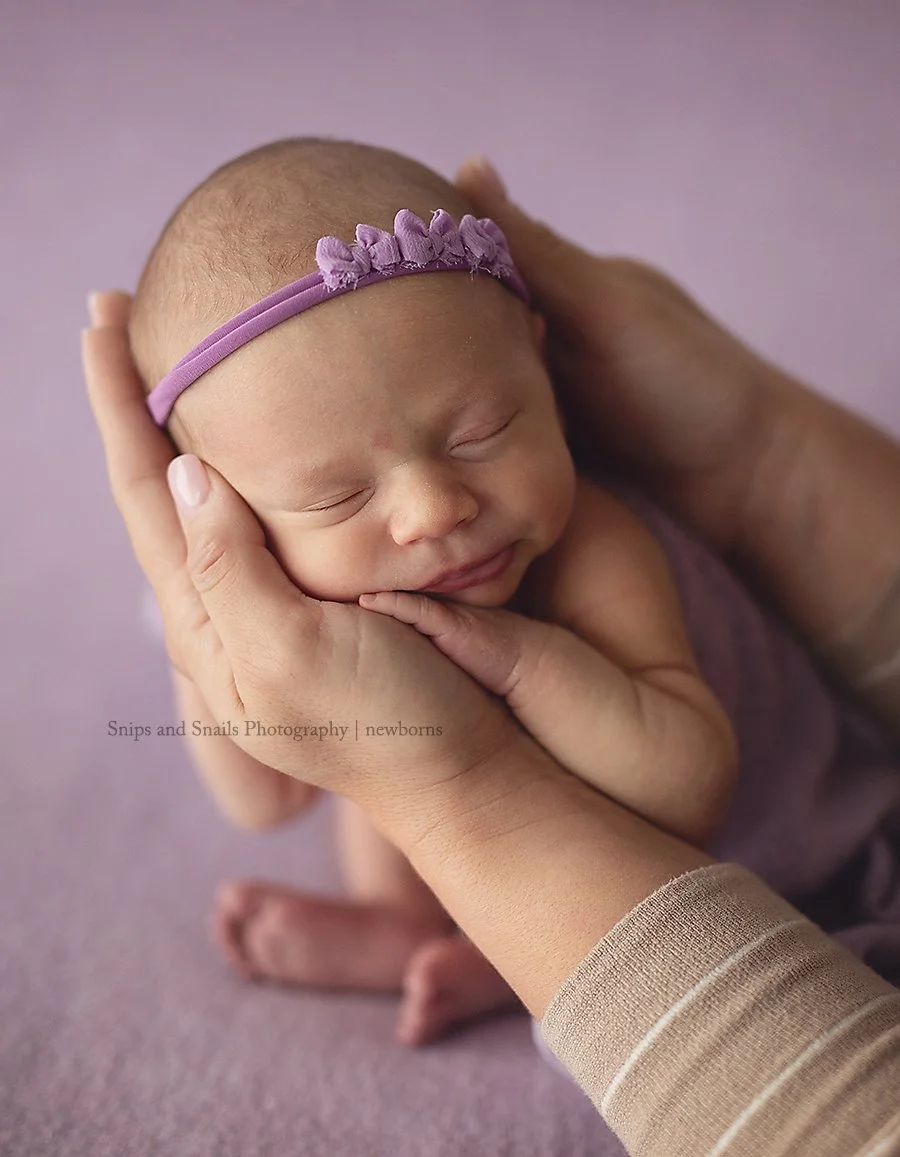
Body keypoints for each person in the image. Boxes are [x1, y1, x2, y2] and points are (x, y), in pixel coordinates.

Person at [82, 152, 900, 1156]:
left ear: (542, 365)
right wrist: (202, 632)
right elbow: (268, 798)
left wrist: (518, 664)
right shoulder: (320, 596)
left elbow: (688, 781)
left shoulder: (592, 546)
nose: (436, 511)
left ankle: (497, 952)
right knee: (376, 717)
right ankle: (425, 929)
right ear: (232, 510)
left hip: (789, 886)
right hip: (583, 888)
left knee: (407, 717)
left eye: (484, 430)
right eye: (339, 496)